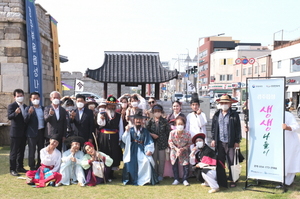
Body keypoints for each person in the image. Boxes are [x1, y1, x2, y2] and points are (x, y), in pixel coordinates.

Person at [211, 94, 241, 188]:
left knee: (232, 162)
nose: (224, 104)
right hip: (219, 142)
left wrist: (237, 141)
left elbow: (237, 129)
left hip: (230, 142)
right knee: (220, 161)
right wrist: (213, 139)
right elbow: (213, 128)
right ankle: (221, 179)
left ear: (230, 104)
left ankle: (233, 179)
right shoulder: (216, 114)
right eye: (222, 103)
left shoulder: (234, 114)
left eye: (226, 103)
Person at [122, 110, 159, 186]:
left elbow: (149, 141)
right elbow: (124, 140)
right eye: (137, 119)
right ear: (134, 120)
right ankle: (132, 179)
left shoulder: (145, 131)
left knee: (146, 161)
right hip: (132, 151)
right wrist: (126, 131)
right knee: (129, 163)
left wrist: (149, 150)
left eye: (140, 119)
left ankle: (145, 180)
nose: (138, 121)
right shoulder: (130, 130)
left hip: (142, 150)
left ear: (142, 121)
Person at [97, 95, 124, 180]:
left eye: (113, 105)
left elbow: (121, 127)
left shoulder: (118, 116)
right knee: (104, 153)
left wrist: (120, 138)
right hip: (104, 137)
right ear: (107, 105)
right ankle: (104, 173)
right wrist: (102, 118)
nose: (112, 107)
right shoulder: (102, 114)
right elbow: (100, 124)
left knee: (114, 154)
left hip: (114, 137)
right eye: (110, 105)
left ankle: (111, 173)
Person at [146, 104, 171, 181]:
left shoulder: (164, 121)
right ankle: (154, 173)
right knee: (154, 158)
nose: (157, 113)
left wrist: (167, 142)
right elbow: (146, 131)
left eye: (159, 111)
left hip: (162, 143)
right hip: (153, 143)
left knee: (161, 159)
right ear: (153, 112)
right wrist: (152, 134)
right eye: (155, 111)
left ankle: (160, 175)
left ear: (161, 112)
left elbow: (168, 132)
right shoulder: (150, 121)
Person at [7, 89, 28, 176]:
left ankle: (20, 167)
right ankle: (13, 169)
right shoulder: (12, 106)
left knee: (21, 151)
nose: (20, 97)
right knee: (14, 151)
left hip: (24, 132)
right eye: (18, 96)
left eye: (21, 96)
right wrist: (15, 113)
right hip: (15, 133)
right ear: (14, 97)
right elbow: (9, 117)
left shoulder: (26, 106)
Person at [24, 92, 45, 171]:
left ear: (39, 99)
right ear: (30, 99)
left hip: (41, 132)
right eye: (34, 98)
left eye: (37, 98)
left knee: (41, 150)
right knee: (32, 151)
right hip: (32, 133)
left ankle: (39, 165)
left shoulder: (43, 108)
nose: (35, 100)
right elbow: (25, 120)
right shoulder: (28, 108)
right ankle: (32, 166)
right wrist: (29, 113)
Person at [168, 116, 191, 186]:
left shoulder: (187, 133)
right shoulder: (172, 133)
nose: (180, 126)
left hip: (184, 151)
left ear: (184, 125)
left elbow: (189, 143)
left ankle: (185, 179)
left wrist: (183, 148)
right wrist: (176, 149)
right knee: (174, 164)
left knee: (186, 165)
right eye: (178, 124)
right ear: (175, 125)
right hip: (174, 150)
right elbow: (170, 142)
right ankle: (176, 179)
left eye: (182, 124)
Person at [280, 111, 300, 186]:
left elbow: (296, 126)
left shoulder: (287, 115)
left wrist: (287, 127)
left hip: (288, 142)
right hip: (275, 143)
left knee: (289, 161)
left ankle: (287, 181)